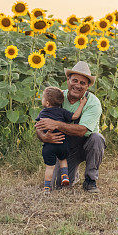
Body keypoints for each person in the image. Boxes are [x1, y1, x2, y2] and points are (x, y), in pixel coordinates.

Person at [35, 61, 105, 193]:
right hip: (66, 146)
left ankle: (90, 181)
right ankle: (74, 174)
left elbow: (82, 130)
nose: (77, 85)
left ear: (88, 86)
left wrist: (56, 124)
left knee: (97, 138)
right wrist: (44, 136)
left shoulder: (93, 102)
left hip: (87, 143)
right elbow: (40, 124)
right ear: (68, 80)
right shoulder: (58, 96)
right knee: (59, 184)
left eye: (82, 83)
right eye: (75, 80)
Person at [35, 87, 87, 193]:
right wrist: (82, 104)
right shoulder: (62, 111)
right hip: (63, 143)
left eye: (43, 98)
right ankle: (65, 176)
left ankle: (46, 188)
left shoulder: (42, 113)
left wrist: (45, 136)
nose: (42, 100)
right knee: (63, 160)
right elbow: (75, 116)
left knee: (49, 167)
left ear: (48, 103)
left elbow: (38, 127)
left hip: (49, 145)